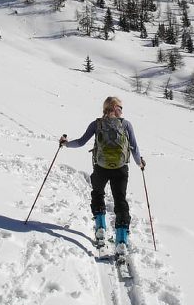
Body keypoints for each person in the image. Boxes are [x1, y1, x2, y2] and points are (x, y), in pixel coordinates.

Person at [59, 96, 145, 255]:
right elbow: (134, 148)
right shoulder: (126, 124)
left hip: (101, 167)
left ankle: (100, 229)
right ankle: (121, 241)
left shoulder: (96, 124)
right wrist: (140, 163)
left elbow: (81, 142)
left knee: (98, 194)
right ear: (117, 108)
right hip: (120, 168)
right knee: (120, 199)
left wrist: (65, 143)